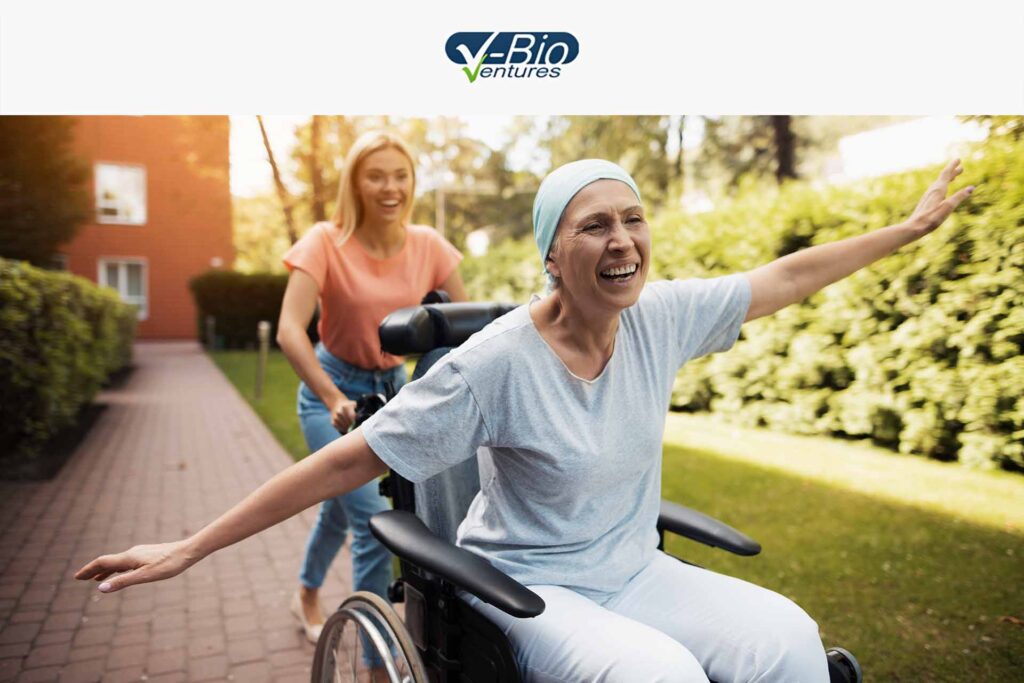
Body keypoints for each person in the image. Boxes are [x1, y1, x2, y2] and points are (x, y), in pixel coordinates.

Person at [76, 157, 973, 682]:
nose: (621, 240)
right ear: (552, 254)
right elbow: (347, 462)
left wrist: (904, 231)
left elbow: (782, 277)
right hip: (529, 586)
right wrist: (192, 545)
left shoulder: (657, 315)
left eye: (632, 219)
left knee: (786, 636)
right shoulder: (495, 361)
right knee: (656, 675)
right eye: (593, 227)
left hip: (633, 569)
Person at [275, 130, 466, 644]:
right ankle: (375, 657)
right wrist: (332, 397)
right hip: (330, 394)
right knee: (375, 522)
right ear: (355, 184)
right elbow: (289, 330)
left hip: (394, 395)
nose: (390, 187)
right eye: (376, 175)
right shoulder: (324, 241)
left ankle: (306, 595)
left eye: (400, 175)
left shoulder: (428, 245)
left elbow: (465, 331)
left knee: (340, 508)